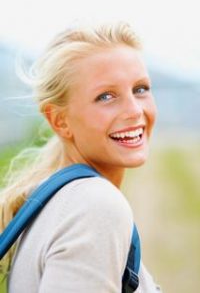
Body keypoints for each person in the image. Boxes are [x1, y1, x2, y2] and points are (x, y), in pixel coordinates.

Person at [0, 21, 161, 292]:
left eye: (140, 89)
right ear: (59, 121)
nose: (134, 110)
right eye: (106, 96)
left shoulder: (55, 201)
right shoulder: (95, 206)